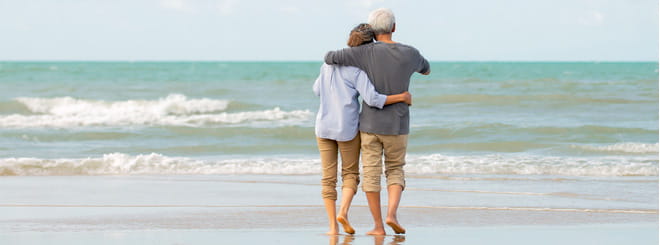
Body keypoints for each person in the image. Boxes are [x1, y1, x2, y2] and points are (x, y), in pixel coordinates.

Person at [324, 8, 431, 235]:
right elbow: (426, 69)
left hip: (370, 125)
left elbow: (330, 57)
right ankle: (392, 214)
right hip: (398, 124)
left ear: (373, 30)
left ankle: (379, 226)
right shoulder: (410, 52)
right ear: (394, 27)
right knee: (395, 170)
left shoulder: (363, 53)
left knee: (371, 174)